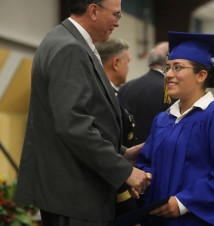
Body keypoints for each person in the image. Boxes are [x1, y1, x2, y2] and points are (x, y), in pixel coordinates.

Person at [15, 1, 150, 226]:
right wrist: (124, 171)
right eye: (116, 15)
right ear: (93, 10)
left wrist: (122, 153)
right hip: (75, 194)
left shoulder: (63, 39)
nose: (117, 23)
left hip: (70, 190)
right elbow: (74, 125)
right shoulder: (71, 48)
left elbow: (87, 117)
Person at [135, 31, 214, 226]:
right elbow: (146, 161)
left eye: (178, 68)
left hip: (195, 220)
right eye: (168, 68)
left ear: (201, 75)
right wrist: (143, 177)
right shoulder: (163, 119)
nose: (169, 75)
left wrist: (183, 202)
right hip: (157, 219)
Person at [95, 37, 138, 218]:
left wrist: (125, 152)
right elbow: (98, 142)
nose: (129, 66)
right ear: (116, 62)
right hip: (102, 185)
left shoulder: (111, 93)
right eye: (128, 61)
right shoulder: (100, 94)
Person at [118, 41, 173, 147]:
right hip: (155, 152)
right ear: (169, 61)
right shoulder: (170, 89)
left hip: (126, 153)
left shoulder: (126, 87)